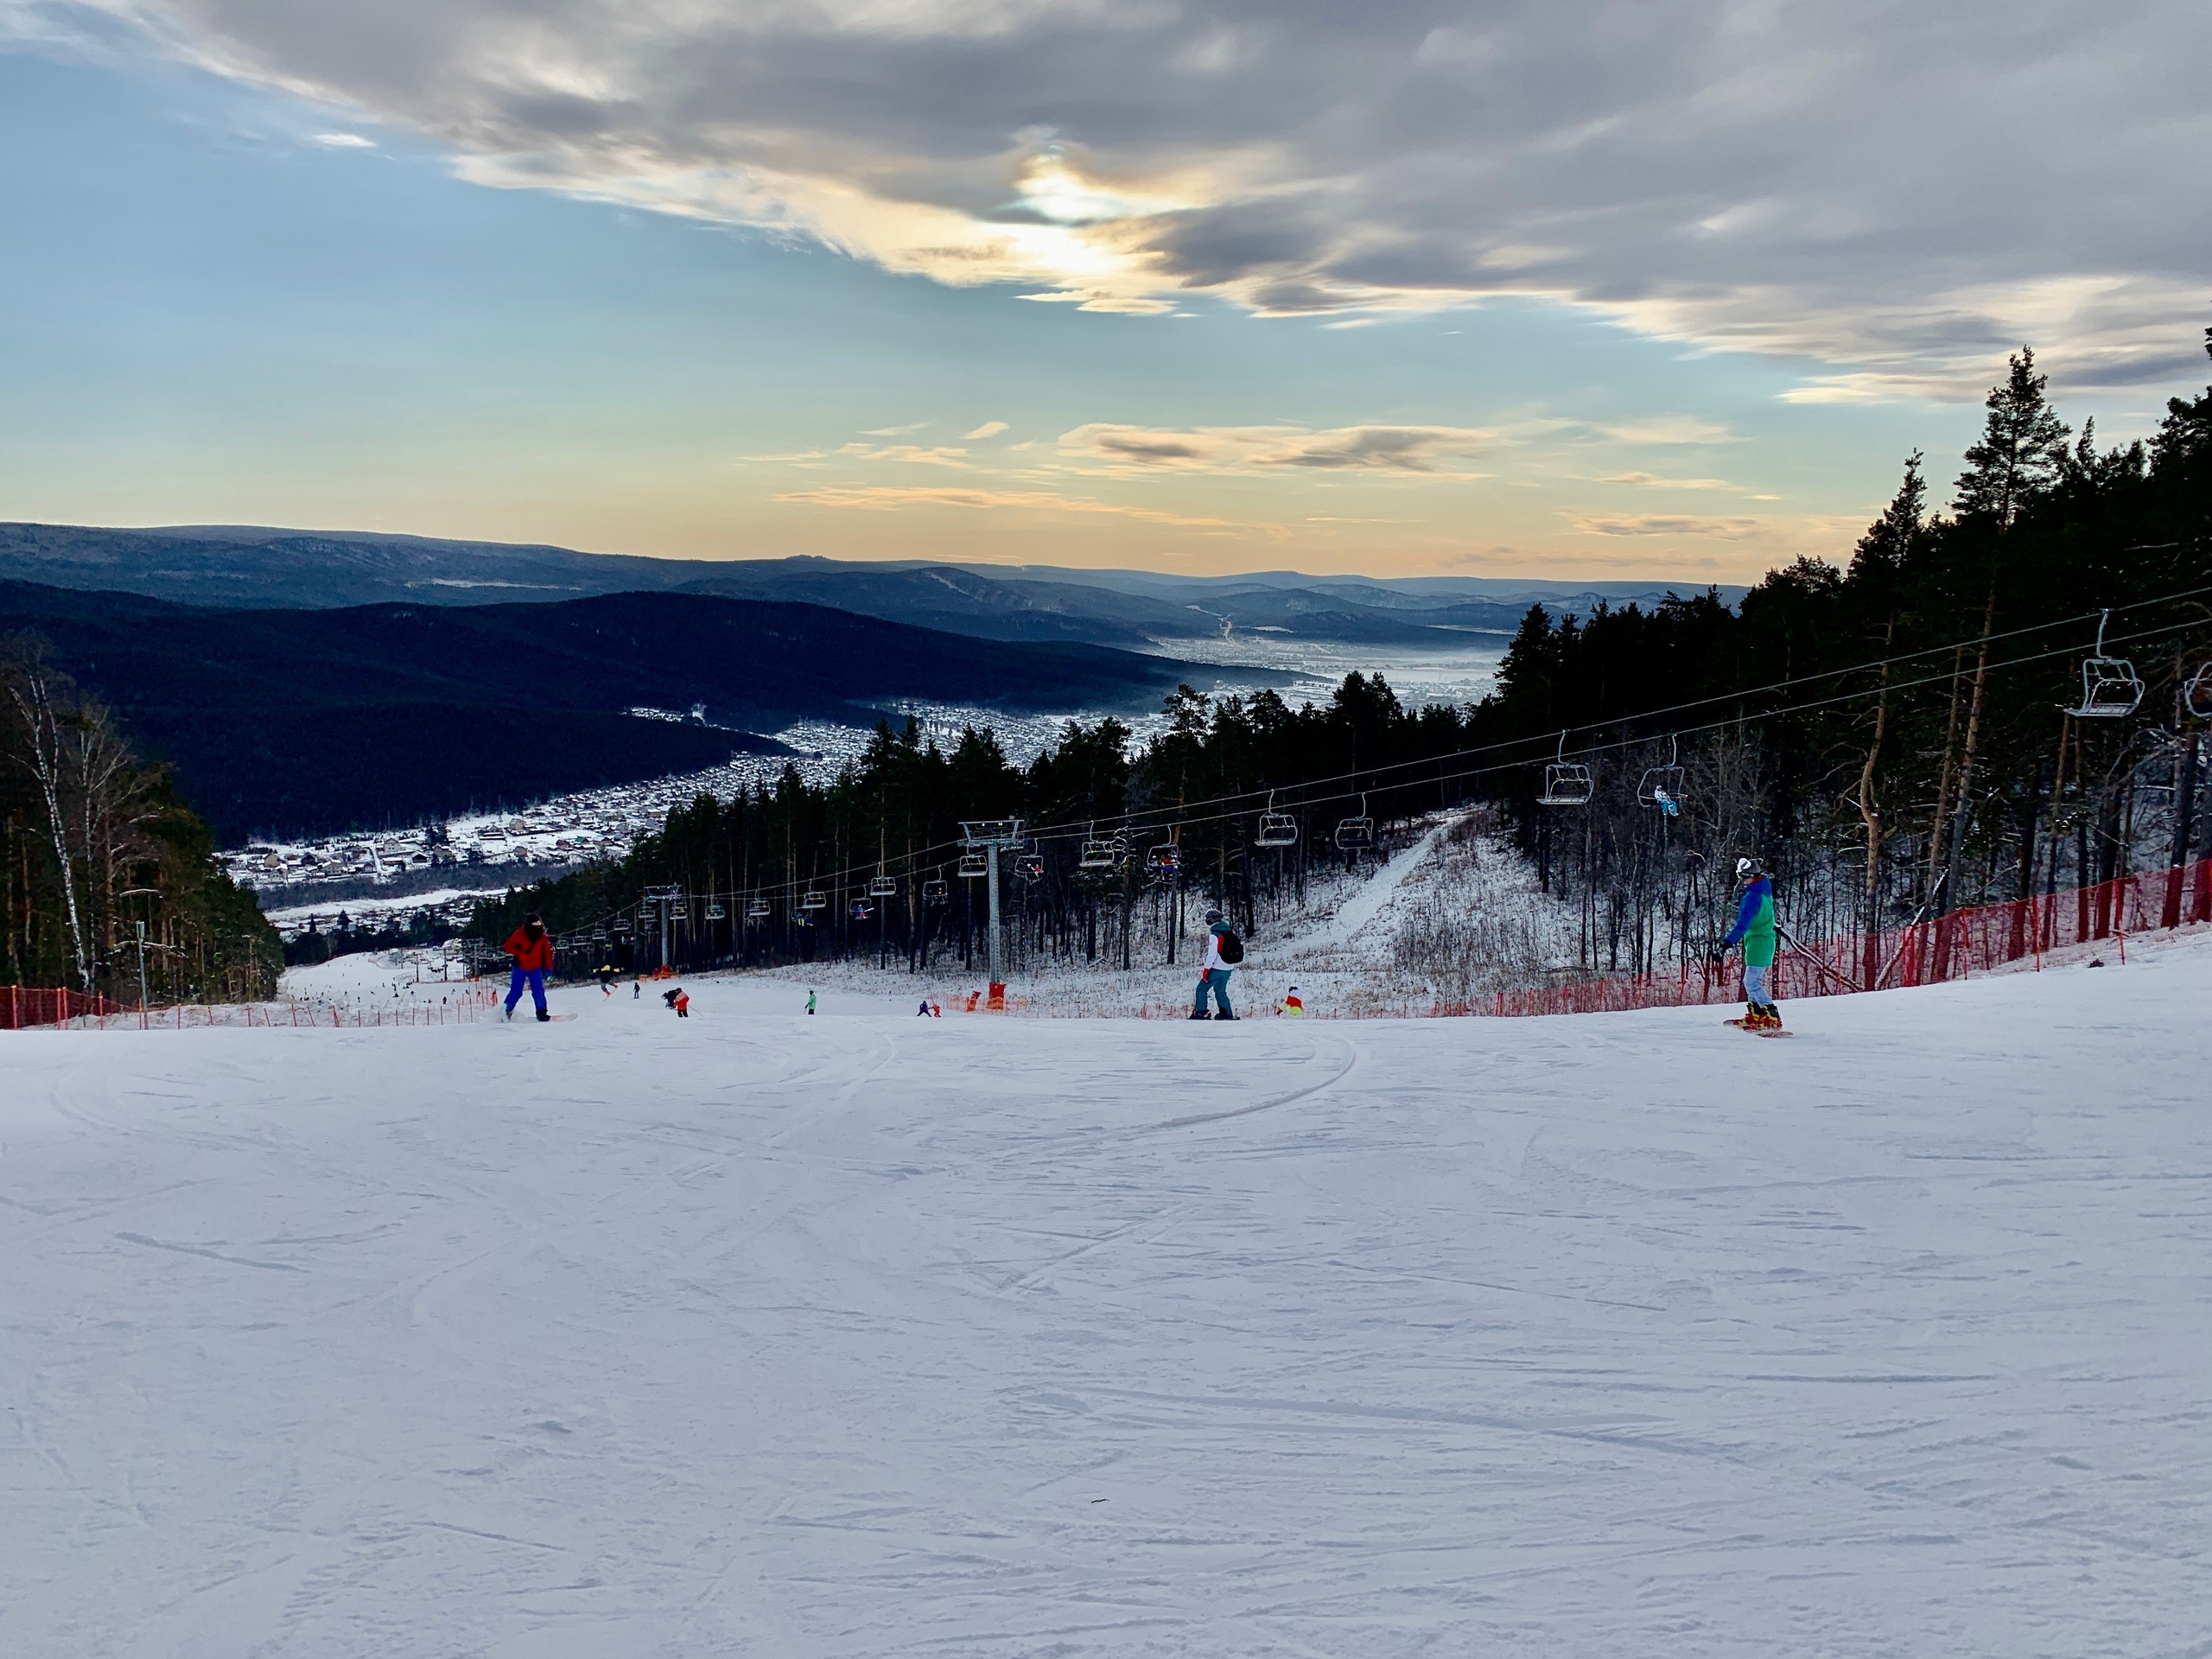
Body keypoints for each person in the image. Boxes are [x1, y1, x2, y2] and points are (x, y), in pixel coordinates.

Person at [1713, 856, 1781, 1028]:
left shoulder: (1752, 897)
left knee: (1751, 982)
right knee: (1750, 981)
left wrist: (1726, 943)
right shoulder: (1763, 889)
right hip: (1759, 941)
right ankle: (1756, 1015)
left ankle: (1771, 1016)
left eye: (1743, 877)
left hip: (1759, 942)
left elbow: (1743, 924)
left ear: (1750, 875)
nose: (1742, 881)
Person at [502, 912, 555, 1022]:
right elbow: (508, 946)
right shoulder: (520, 934)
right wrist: (520, 954)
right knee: (516, 992)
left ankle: (542, 1013)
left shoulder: (543, 937)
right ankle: (505, 1012)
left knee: (538, 991)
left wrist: (549, 968)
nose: (539, 925)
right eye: (536, 923)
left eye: (540, 922)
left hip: (536, 968)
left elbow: (547, 953)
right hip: (520, 967)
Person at [1192, 906, 1236, 1020]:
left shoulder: (1215, 935)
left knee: (1201, 988)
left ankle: (1202, 1012)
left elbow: (1212, 954)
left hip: (1217, 967)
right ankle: (1226, 1013)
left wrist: (1206, 969)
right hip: (1229, 966)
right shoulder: (1228, 931)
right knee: (1220, 990)